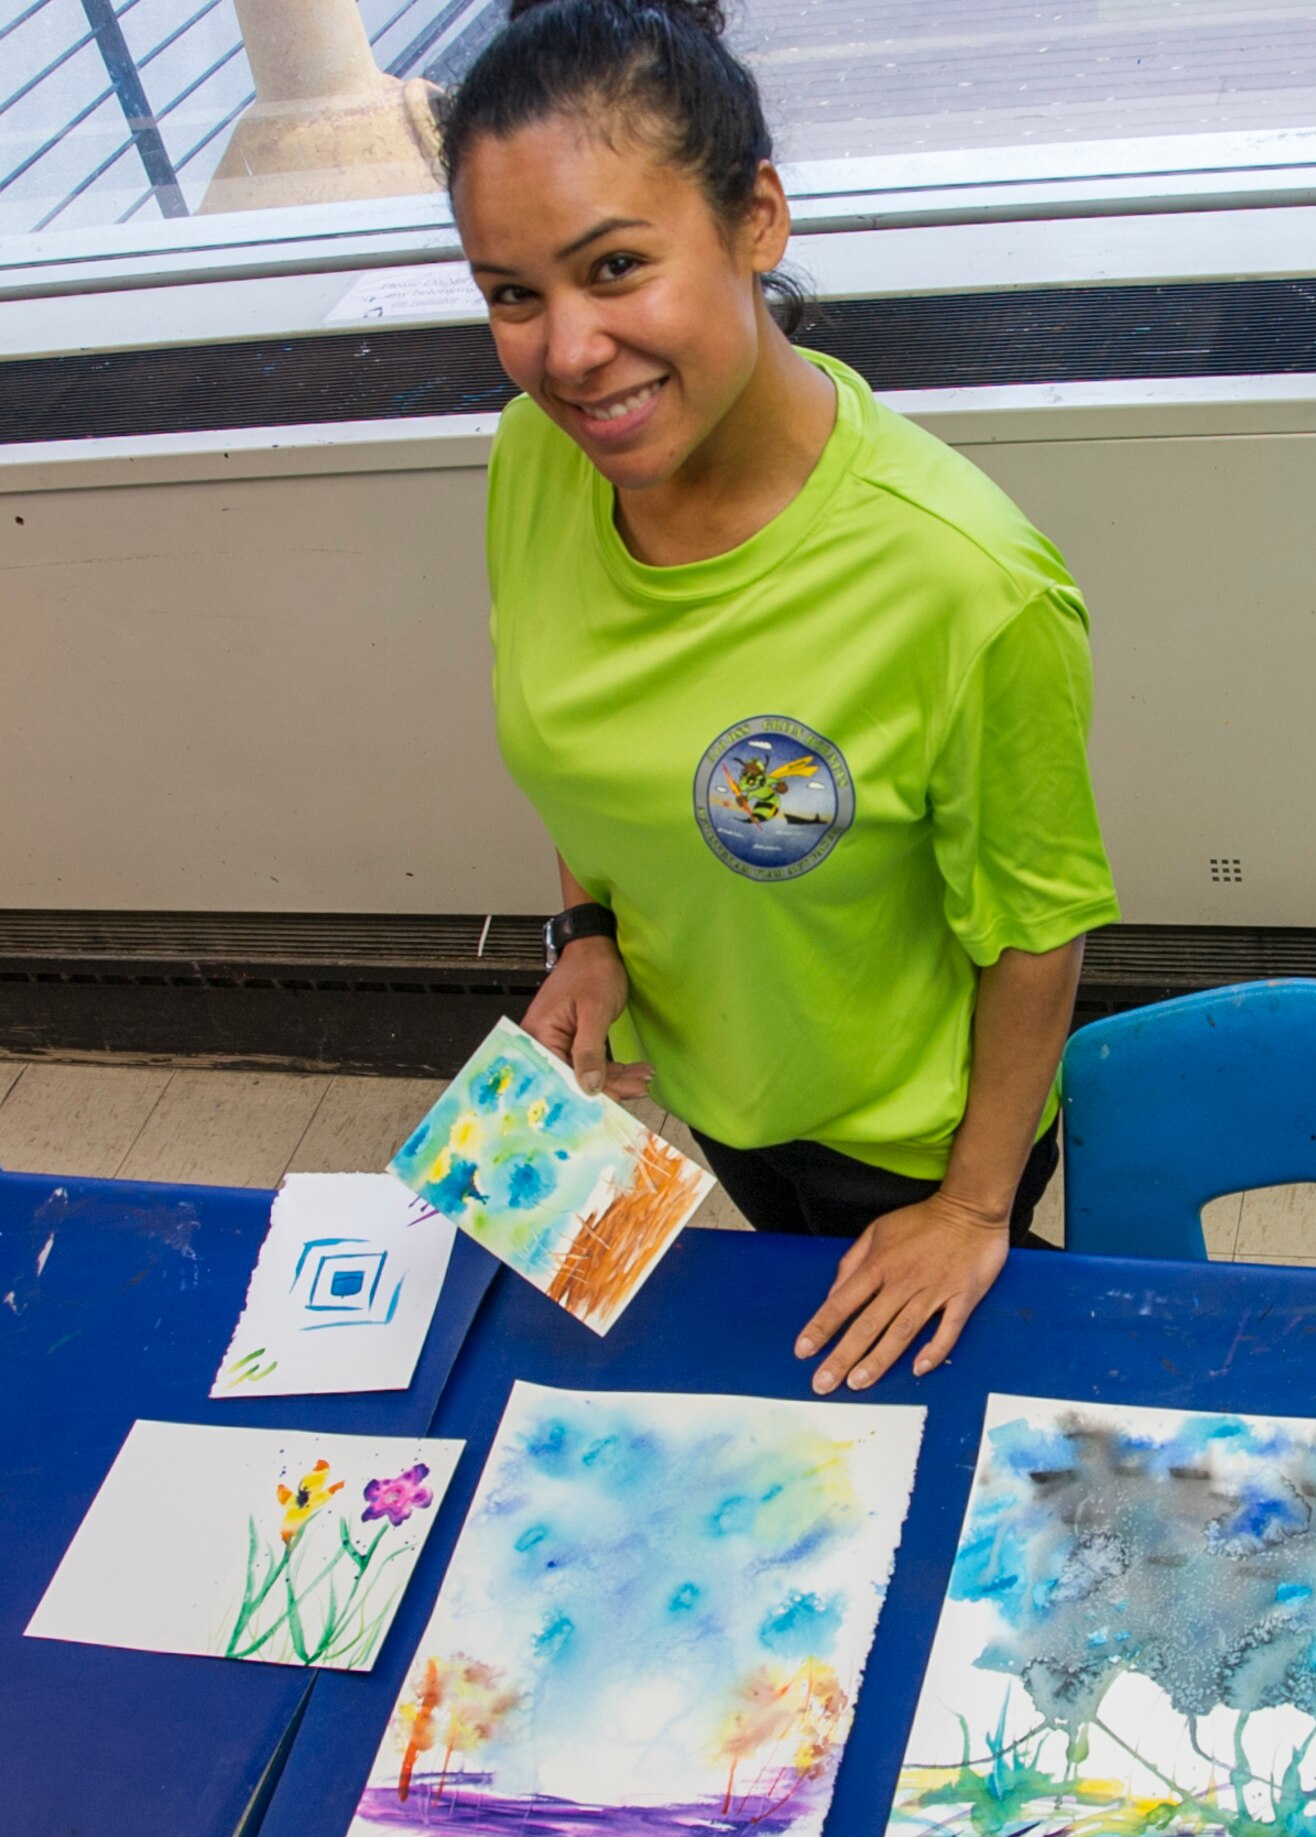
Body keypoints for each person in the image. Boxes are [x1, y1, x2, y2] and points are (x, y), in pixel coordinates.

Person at [443, 0, 1121, 1393]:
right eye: (513, 294)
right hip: (709, 1080)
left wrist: (975, 1208)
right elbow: (590, 731)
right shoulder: (534, 458)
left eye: (616, 266)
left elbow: (1039, 933)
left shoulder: (964, 584)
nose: (565, 353)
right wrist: (585, 932)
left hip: (903, 1136)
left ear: (758, 218)